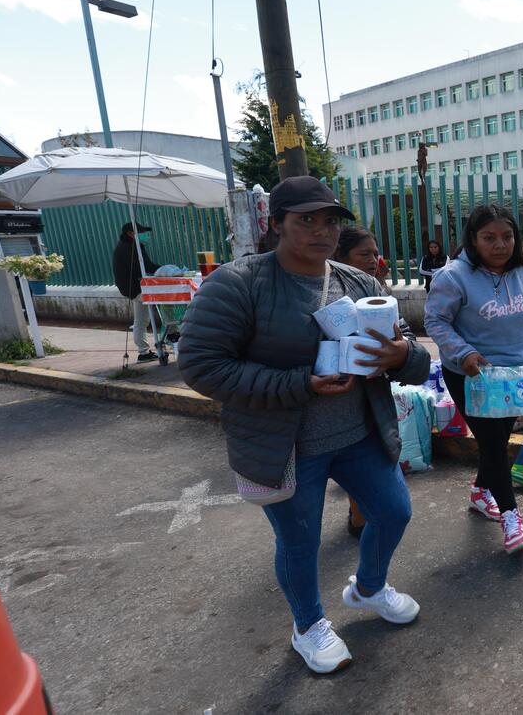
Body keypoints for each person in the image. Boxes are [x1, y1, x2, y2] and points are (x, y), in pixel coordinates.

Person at [179, 176, 431, 674]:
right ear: (276, 225)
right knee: (299, 542)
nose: (322, 231)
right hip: (287, 445)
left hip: (359, 432)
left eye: (331, 220)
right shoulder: (238, 283)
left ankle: (369, 588)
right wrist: (301, 383)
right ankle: (308, 625)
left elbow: (409, 354)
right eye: (306, 220)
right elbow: (203, 367)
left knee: (394, 511)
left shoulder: (359, 283)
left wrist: (403, 355)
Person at [424, 204, 523, 554]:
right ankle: (511, 515)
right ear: (473, 239)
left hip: (516, 374)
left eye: (507, 236)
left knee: (496, 438)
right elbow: (436, 321)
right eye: (489, 238)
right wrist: (463, 352)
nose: (500, 245)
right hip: (473, 376)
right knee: (494, 443)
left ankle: (480, 492)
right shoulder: (452, 277)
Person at [333, 226, 391, 539]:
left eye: (375, 253)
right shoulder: (332, 295)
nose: (373, 259)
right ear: (340, 257)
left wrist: (401, 353)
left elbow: (404, 338)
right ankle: (358, 516)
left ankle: (361, 515)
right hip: (335, 395)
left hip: (374, 393)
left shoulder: (376, 290)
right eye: (364, 254)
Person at [112, 222, 161, 362]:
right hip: (135, 287)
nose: (145, 235)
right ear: (130, 233)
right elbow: (144, 267)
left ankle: (143, 352)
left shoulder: (130, 246)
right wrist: (165, 270)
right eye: (141, 232)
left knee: (141, 319)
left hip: (132, 286)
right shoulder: (129, 248)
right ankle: (169, 336)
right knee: (153, 314)